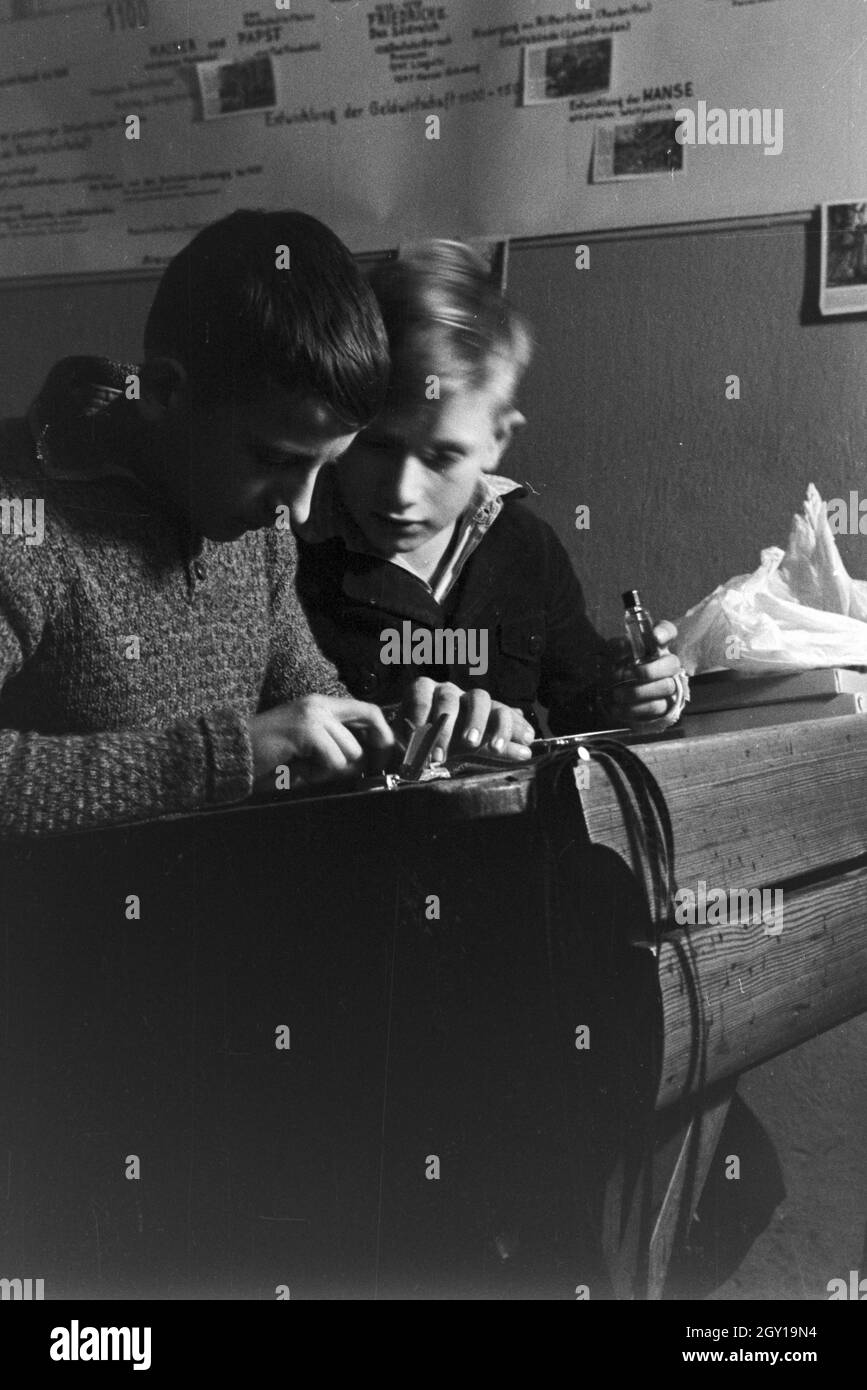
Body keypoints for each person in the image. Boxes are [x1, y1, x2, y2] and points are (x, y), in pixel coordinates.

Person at [0, 212, 530, 837]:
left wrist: (416, 733)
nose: (298, 511)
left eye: (324, 466)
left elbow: (307, 708)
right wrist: (221, 758)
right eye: (276, 458)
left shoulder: (259, 528)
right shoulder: (22, 525)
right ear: (167, 392)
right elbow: (243, 751)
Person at [295, 240, 687, 751]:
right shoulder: (289, 550)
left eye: (442, 457)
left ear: (497, 440)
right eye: (378, 446)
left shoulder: (526, 547)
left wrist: (637, 695)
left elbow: (582, 697)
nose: (402, 491)